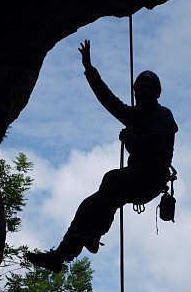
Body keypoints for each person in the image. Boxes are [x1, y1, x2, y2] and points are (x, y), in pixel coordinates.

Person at [27, 39, 178, 273]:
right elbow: (107, 99)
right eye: (142, 87)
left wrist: (131, 138)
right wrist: (89, 68)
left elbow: (158, 138)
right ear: (136, 91)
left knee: (111, 181)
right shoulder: (133, 116)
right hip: (137, 180)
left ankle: (93, 235)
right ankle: (63, 254)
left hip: (151, 178)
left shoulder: (163, 115)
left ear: (157, 93)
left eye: (151, 88)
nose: (146, 91)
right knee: (91, 204)